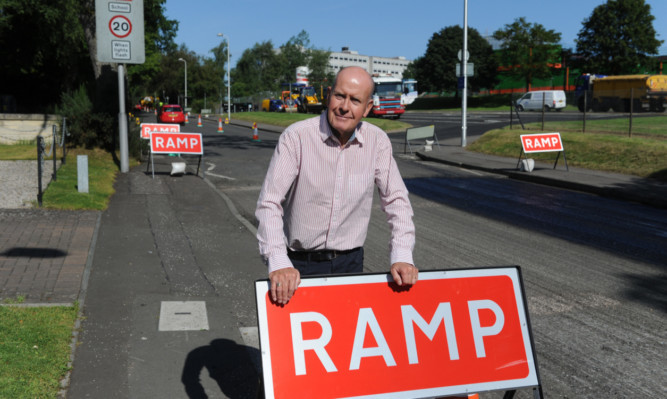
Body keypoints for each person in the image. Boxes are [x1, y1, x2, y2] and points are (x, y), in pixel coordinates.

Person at [255, 66, 417, 305]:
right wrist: (278, 262)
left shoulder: (377, 141)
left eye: (355, 100)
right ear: (329, 95)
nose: (344, 107)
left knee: (349, 339)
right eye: (340, 96)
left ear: (368, 108)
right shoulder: (296, 137)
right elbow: (269, 203)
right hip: (297, 268)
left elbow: (397, 201)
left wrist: (402, 256)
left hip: (350, 265)